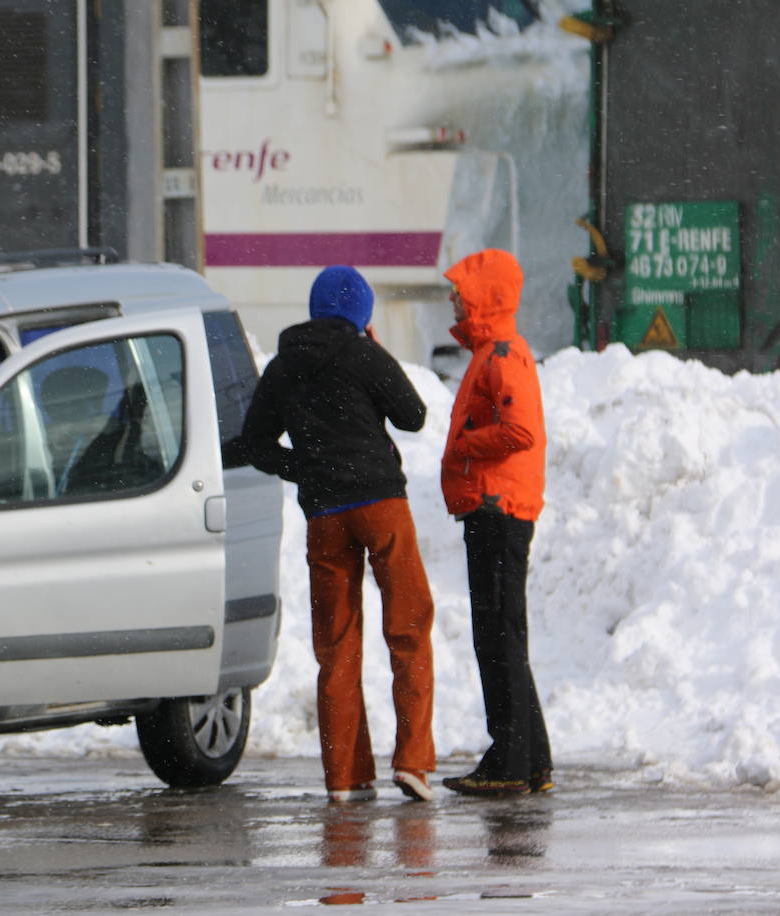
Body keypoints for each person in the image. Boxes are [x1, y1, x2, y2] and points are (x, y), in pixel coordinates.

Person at [230, 265, 437, 803]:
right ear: (362, 315)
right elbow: (413, 416)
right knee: (408, 627)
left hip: (326, 516)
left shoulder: (283, 366)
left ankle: (345, 777)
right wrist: (375, 353)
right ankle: (412, 762)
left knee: (337, 647)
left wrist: (307, 466)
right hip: (381, 506)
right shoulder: (363, 355)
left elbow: (255, 443)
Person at [439, 249, 553, 797]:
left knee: (498, 636)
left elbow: (520, 430)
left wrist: (466, 444)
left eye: (462, 293)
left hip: (497, 510)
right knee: (503, 634)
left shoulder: (503, 354)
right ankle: (532, 760)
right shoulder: (493, 351)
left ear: (484, 297)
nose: (455, 301)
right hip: (496, 509)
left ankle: (509, 761)